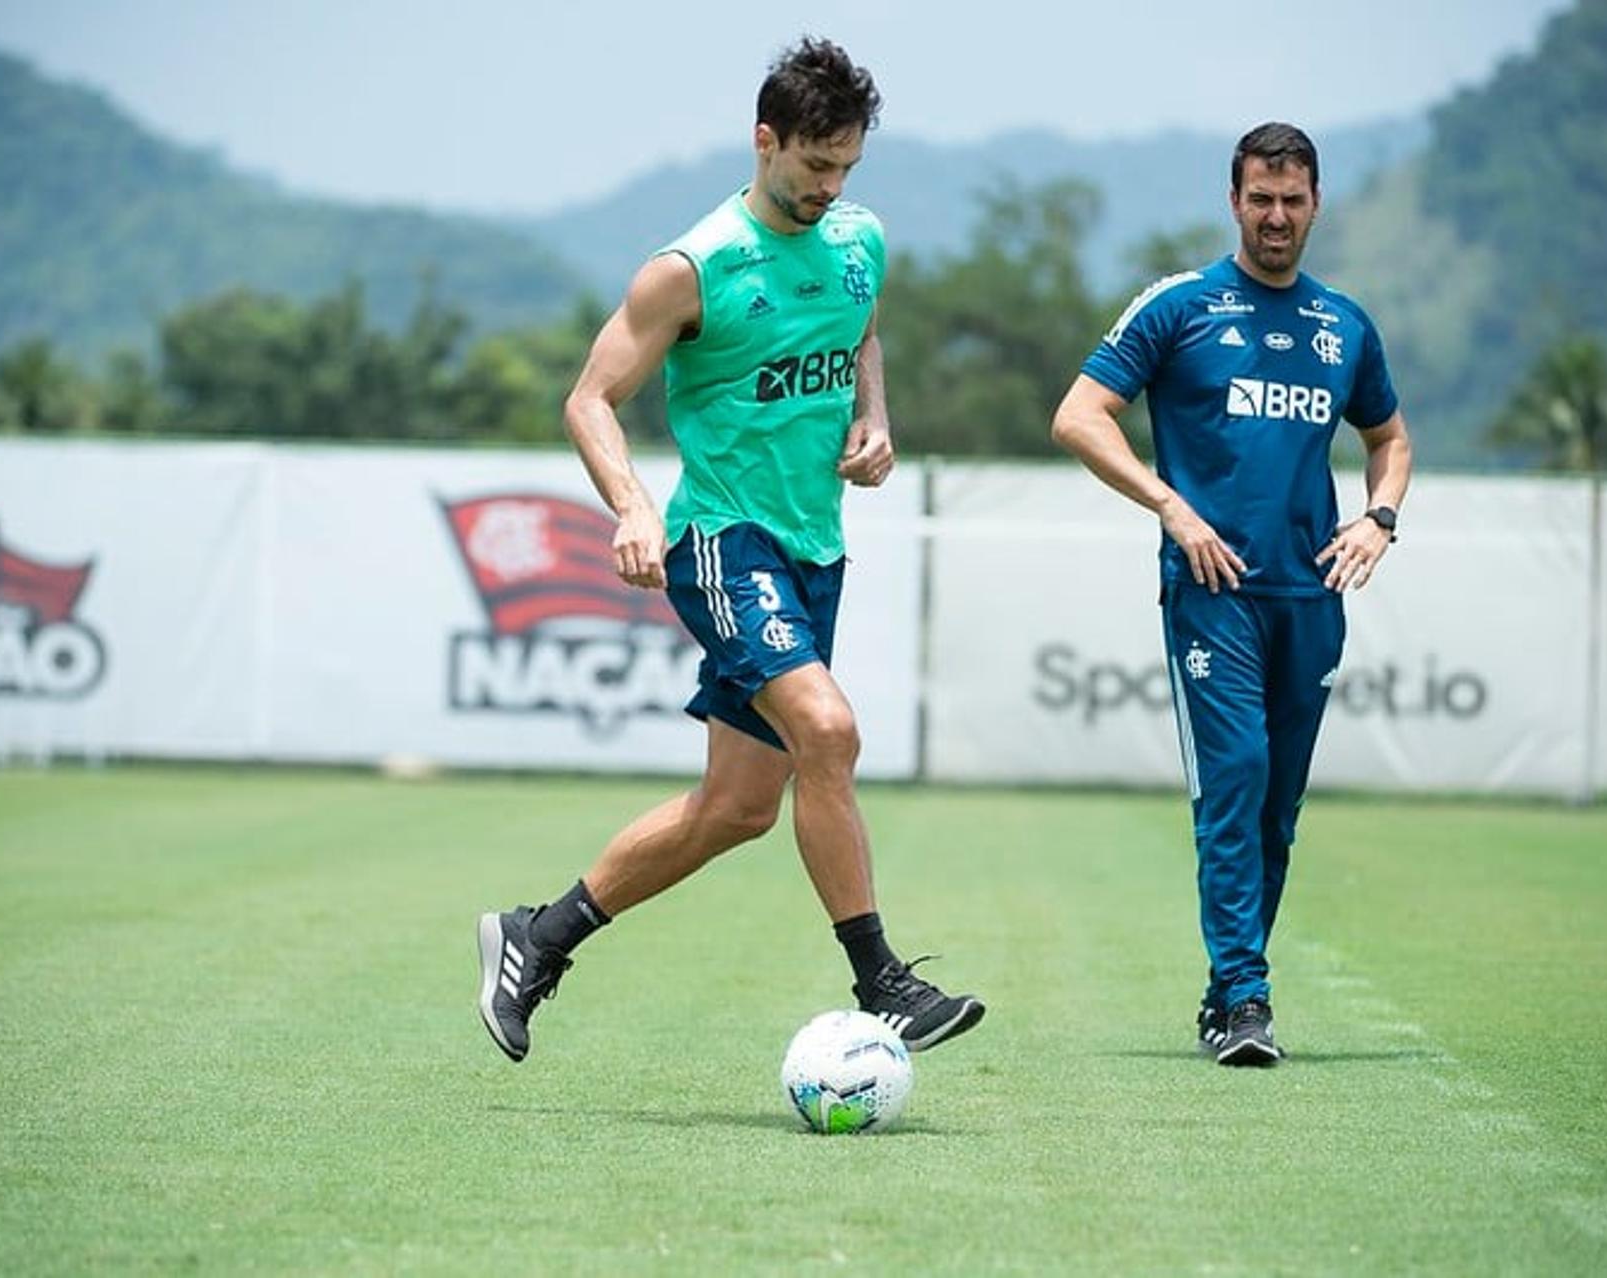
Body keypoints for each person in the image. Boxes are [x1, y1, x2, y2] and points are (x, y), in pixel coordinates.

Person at [475, 37, 985, 1064]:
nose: (829, 187)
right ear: (766, 141)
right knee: (829, 734)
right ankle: (882, 981)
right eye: (813, 166)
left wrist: (874, 418)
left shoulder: (858, 240)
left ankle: (538, 937)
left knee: (737, 809)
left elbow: (861, 327)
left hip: (814, 547)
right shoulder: (692, 267)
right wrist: (630, 507)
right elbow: (589, 400)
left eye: (846, 167)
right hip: (721, 538)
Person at [1050, 123, 1413, 1066]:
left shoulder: (1346, 325)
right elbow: (1079, 416)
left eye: (1293, 200)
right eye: (1261, 198)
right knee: (1236, 779)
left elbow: (1391, 438)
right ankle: (1248, 1001)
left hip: (1312, 595)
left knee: (1274, 809)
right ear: (1234, 200)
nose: (1278, 216)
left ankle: (1226, 992)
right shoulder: (1181, 306)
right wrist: (1171, 507)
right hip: (1213, 592)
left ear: (1317, 203)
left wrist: (1378, 520)